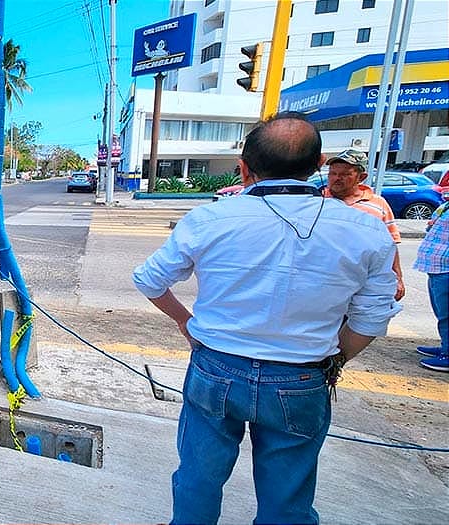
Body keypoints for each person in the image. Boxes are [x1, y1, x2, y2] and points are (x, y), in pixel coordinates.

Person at [133, 112, 401, 525]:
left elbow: (150, 280)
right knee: (287, 500)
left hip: (216, 369)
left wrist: (186, 322)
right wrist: (332, 359)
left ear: (244, 168)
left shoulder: (211, 218)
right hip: (301, 378)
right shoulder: (365, 229)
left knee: (198, 479)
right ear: (319, 165)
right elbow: (371, 319)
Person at [323, 149, 406, 300]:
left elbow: (389, 245)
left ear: (362, 177)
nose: (336, 178)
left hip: (364, 284)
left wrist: (398, 278)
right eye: (332, 173)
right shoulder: (318, 201)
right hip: (326, 281)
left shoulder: (378, 204)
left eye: (345, 174)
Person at [413, 199, 449, 372]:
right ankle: (445, 346)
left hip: (446, 269)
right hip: (436, 268)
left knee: (447, 315)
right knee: (441, 313)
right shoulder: (445, 206)